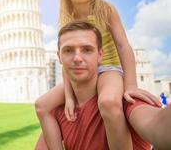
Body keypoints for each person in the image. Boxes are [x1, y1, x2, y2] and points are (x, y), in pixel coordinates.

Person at [35, 0, 160, 150]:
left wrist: (131, 84)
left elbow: (123, 46)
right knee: (41, 105)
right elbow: (66, 64)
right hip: (80, 72)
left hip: (108, 68)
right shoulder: (68, 20)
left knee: (109, 102)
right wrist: (68, 97)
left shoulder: (106, 10)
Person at [35, 21, 171, 150]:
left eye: (87, 50)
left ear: (100, 55)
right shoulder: (60, 112)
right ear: (59, 56)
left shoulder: (125, 101)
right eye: (68, 50)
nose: (77, 58)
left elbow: (157, 124)